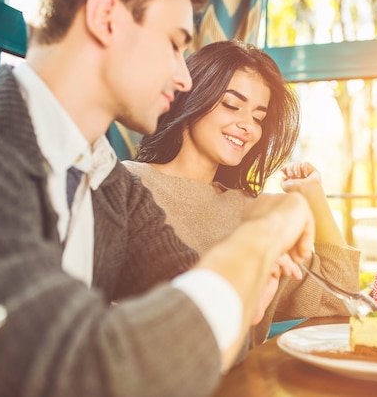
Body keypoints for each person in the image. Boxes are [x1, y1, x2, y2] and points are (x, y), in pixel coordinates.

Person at [0, 0, 317, 397]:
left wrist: (242, 300)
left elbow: (199, 333)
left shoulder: (110, 184)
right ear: (106, 18)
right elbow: (87, 371)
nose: (184, 79)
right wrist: (260, 234)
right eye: (174, 45)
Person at [124, 40, 360, 347]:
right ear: (192, 97)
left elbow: (341, 296)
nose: (247, 125)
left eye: (258, 117)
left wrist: (313, 196)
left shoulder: (253, 212)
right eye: (232, 105)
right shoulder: (127, 184)